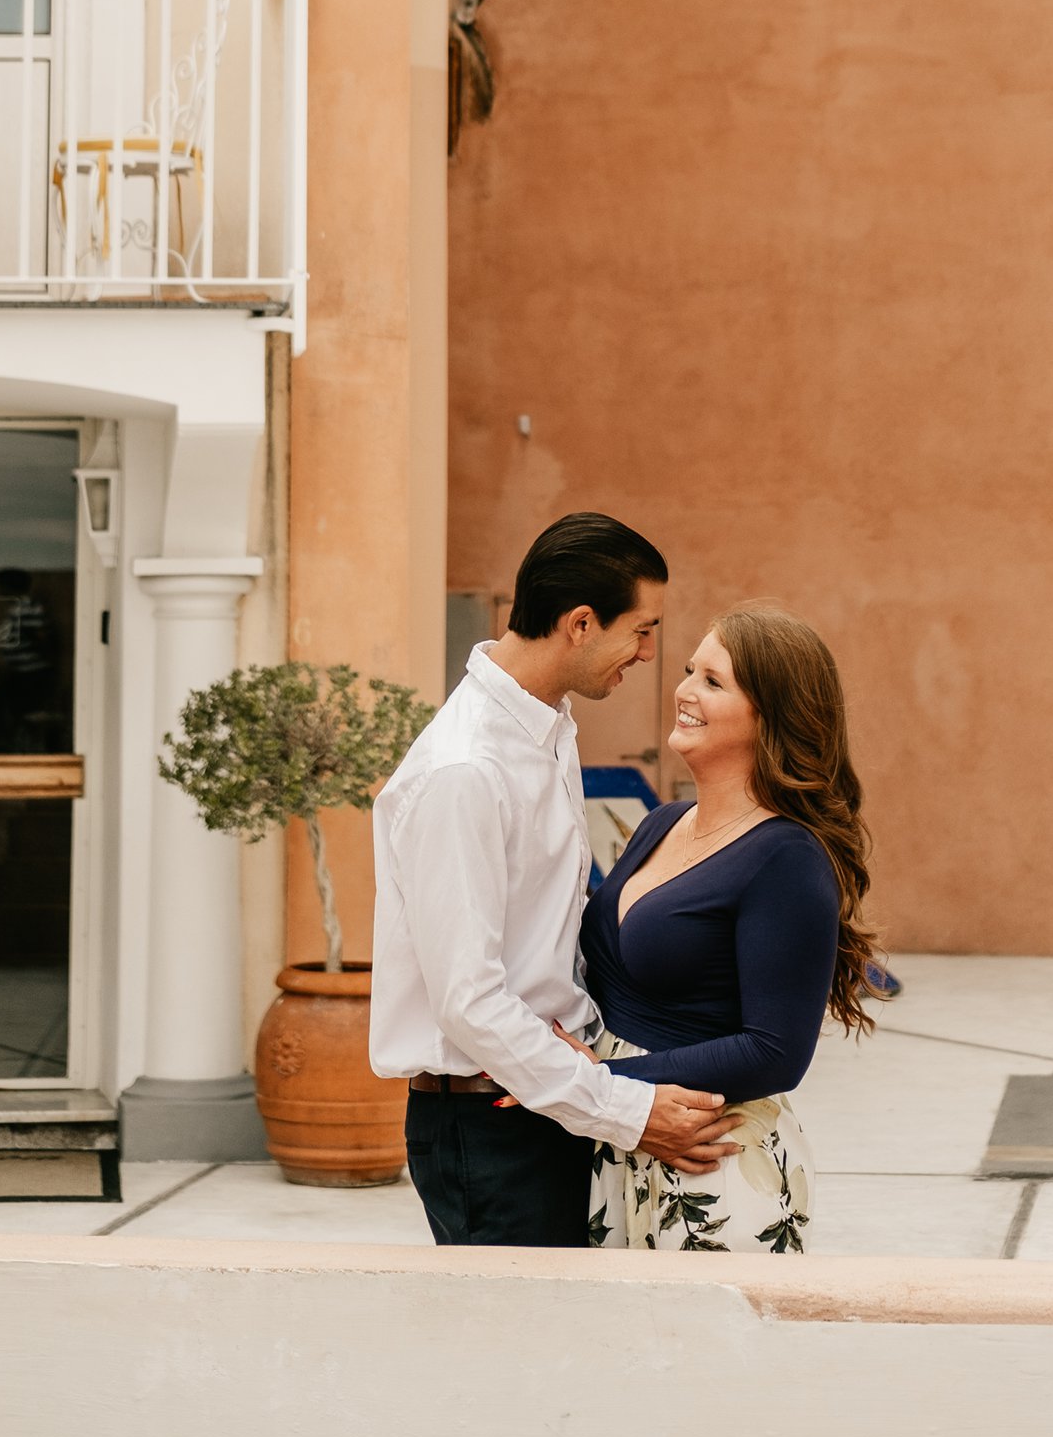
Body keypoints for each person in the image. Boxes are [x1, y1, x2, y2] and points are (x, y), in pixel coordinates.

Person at [370, 512, 740, 1248]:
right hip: (490, 1130)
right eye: (640, 630)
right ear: (578, 624)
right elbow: (469, 1001)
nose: (647, 653)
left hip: (546, 1101)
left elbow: (544, 950)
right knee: (515, 1358)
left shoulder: (545, 731)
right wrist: (628, 1112)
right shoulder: (466, 771)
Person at [578, 605, 875, 1253]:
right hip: (629, 1140)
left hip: (714, 1167)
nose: (684, 690)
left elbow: (776, 1051)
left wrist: (593, 1088)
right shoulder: (663, 824)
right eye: (690, 671)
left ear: (770, 715)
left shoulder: (786, 858)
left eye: (713, 681)